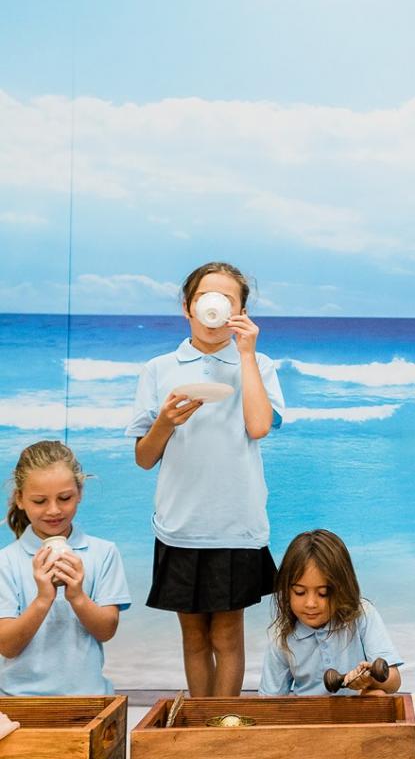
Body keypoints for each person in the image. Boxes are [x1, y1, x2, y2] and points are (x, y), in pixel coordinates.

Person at [127, 261, 284, 697]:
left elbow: (258, 426)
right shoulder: (160, 368)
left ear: (240, 311)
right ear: (187, 307)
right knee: (194, 637)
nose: (213, 306)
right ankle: (200, 727)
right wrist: (164, 423)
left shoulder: (259, 364)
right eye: (203, 298)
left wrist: (247, 354)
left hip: (236, 524)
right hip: (180, 526)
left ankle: (224, 729)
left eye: (226, 299)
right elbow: (144, 458)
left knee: (228, 636)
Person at [0, 440, 129, 695]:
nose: (54, 510)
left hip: (89, 698)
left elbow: (106, 631)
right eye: (39, 501)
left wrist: (77, 596)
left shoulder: (103, 553)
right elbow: (7, 645)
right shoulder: (6, 561)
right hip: (18, 701)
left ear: (79, 493)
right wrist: (43, 599)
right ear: (21, 499)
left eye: (65, 498)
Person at [260, 529, 403, 695]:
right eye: (300, 592)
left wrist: (371, 679)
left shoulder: (362, 615)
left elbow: (394, 683)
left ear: (342, 588)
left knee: (377, 695)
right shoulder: (282, 636)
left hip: (357, 715)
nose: (310, 603)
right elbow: (270, 699)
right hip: (308, 716)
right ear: (286, 590)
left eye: (323, 593)